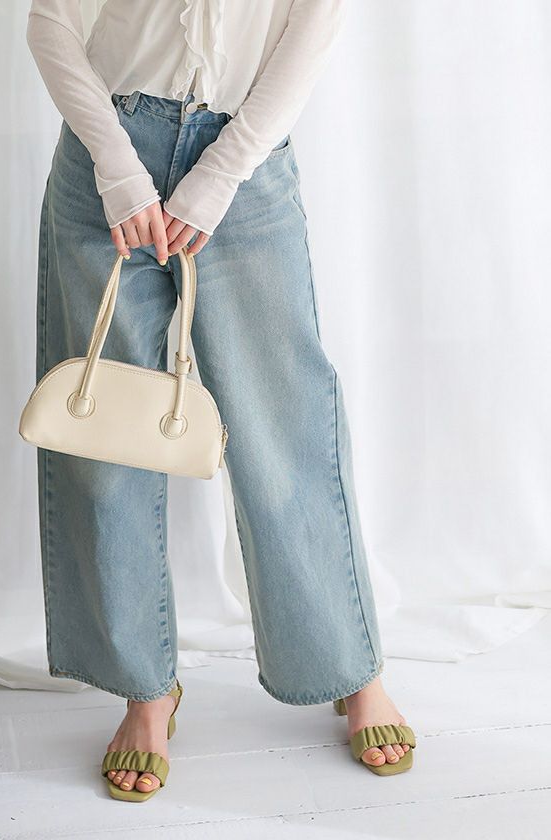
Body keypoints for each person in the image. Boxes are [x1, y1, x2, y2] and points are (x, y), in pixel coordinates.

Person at [26, 0, 417, 801]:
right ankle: (145, 690)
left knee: (284, 433)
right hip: (107, 156)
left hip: (246, 154)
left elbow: (315, 25)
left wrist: (221, 172)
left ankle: (348, 666)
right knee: (108, 441)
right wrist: (117, 166)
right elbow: (51, 23)